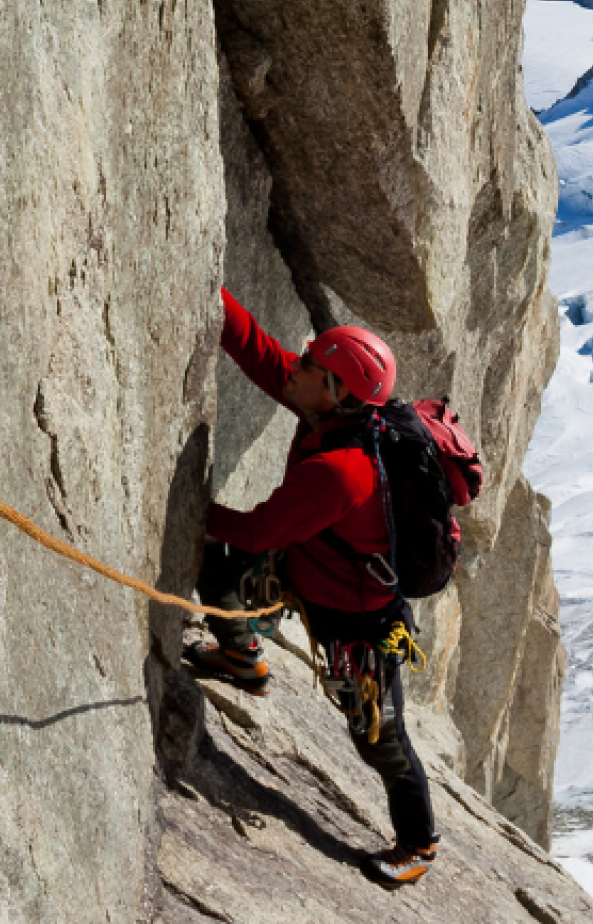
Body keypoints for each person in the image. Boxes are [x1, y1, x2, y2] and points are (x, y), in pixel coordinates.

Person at [195, 287, 439, 886]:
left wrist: (184, 509)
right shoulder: (334, 410)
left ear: (336, 392)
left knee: (379, 738)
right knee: (220, 566)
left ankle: (419, 844)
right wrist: (217, 297)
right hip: (313, 573)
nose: (297, 363)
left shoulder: (341, 472)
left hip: (356, 622)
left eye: (310, 363)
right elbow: (265, 359)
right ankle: (241, 657)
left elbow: (255, 532)